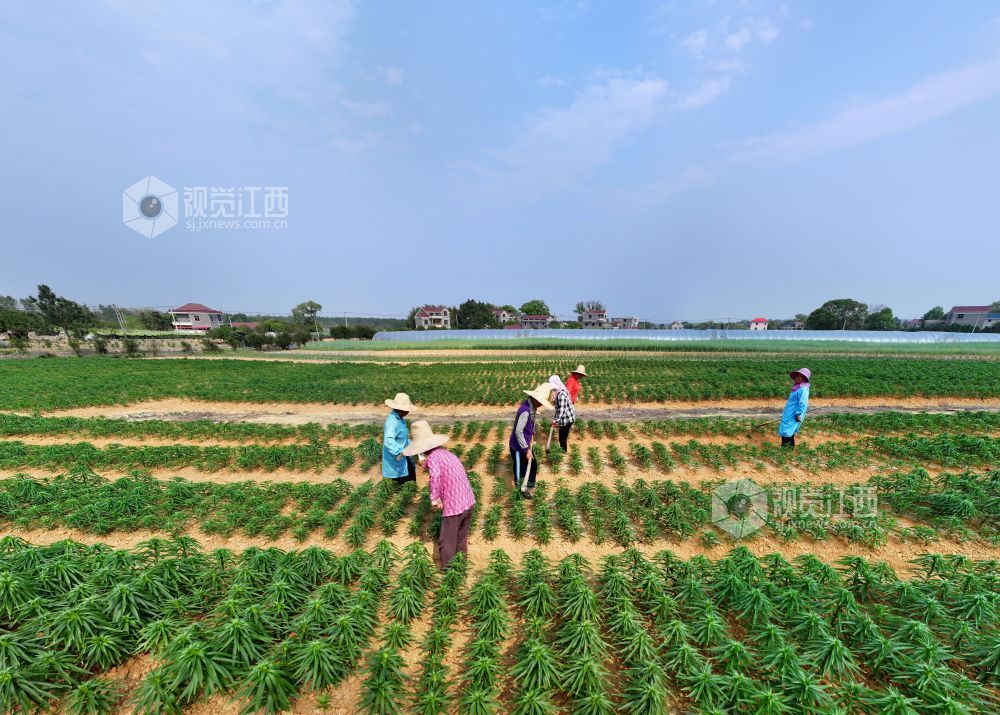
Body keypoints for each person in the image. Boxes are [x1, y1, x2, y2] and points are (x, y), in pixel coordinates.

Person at [403, 420, 476, 569]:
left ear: (421, 450)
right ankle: (460, 568)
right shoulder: (446, 454)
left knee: (446, 541)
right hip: (468, 501)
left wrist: (434, 499)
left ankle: (448, 573)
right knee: (460, 537)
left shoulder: (434, 459)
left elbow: (435, 478)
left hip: (455, 505)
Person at [509, 382, 554, 499]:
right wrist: (526, 449)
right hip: (518, 446)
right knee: (519, 470)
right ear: (535, 399)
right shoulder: (525, 410)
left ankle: (528, 485)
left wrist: (531, 430)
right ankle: (519, 491)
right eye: (540, 402)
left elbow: (529, 423)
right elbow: (518, 431)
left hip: (525, 443)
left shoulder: (532, 407)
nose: (541, 404)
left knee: (533, 465)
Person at [382, 392, 416, 487]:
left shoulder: (399, 419)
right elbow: (388, 441)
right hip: (396, 458)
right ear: (401, 409)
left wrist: (414, 445)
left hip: (403, 456)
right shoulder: (392, 422)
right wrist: (402, 451)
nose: (408, 412)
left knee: (410, 481)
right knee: (402, 487)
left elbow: (402, 439)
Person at [779, 368, 811, 449]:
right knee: (789, 431)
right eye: (798, 375)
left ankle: (785, 451)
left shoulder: (803, 389)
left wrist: (798, 414)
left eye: (802, 376)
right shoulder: (798, 387)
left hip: (794, 414)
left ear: (805, 378)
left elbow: (803, 404)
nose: (798, 377)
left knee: (786, 432)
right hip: (790, 413)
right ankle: (789, 450)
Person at [549, 374, 576, 452]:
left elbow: (562, 410)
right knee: (562, 437)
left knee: (562, 438)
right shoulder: (562, 389)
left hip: (567, 419)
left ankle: (563, 453)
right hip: (566, 417)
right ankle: (563, 451)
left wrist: (555, 421)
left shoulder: (562, 395)